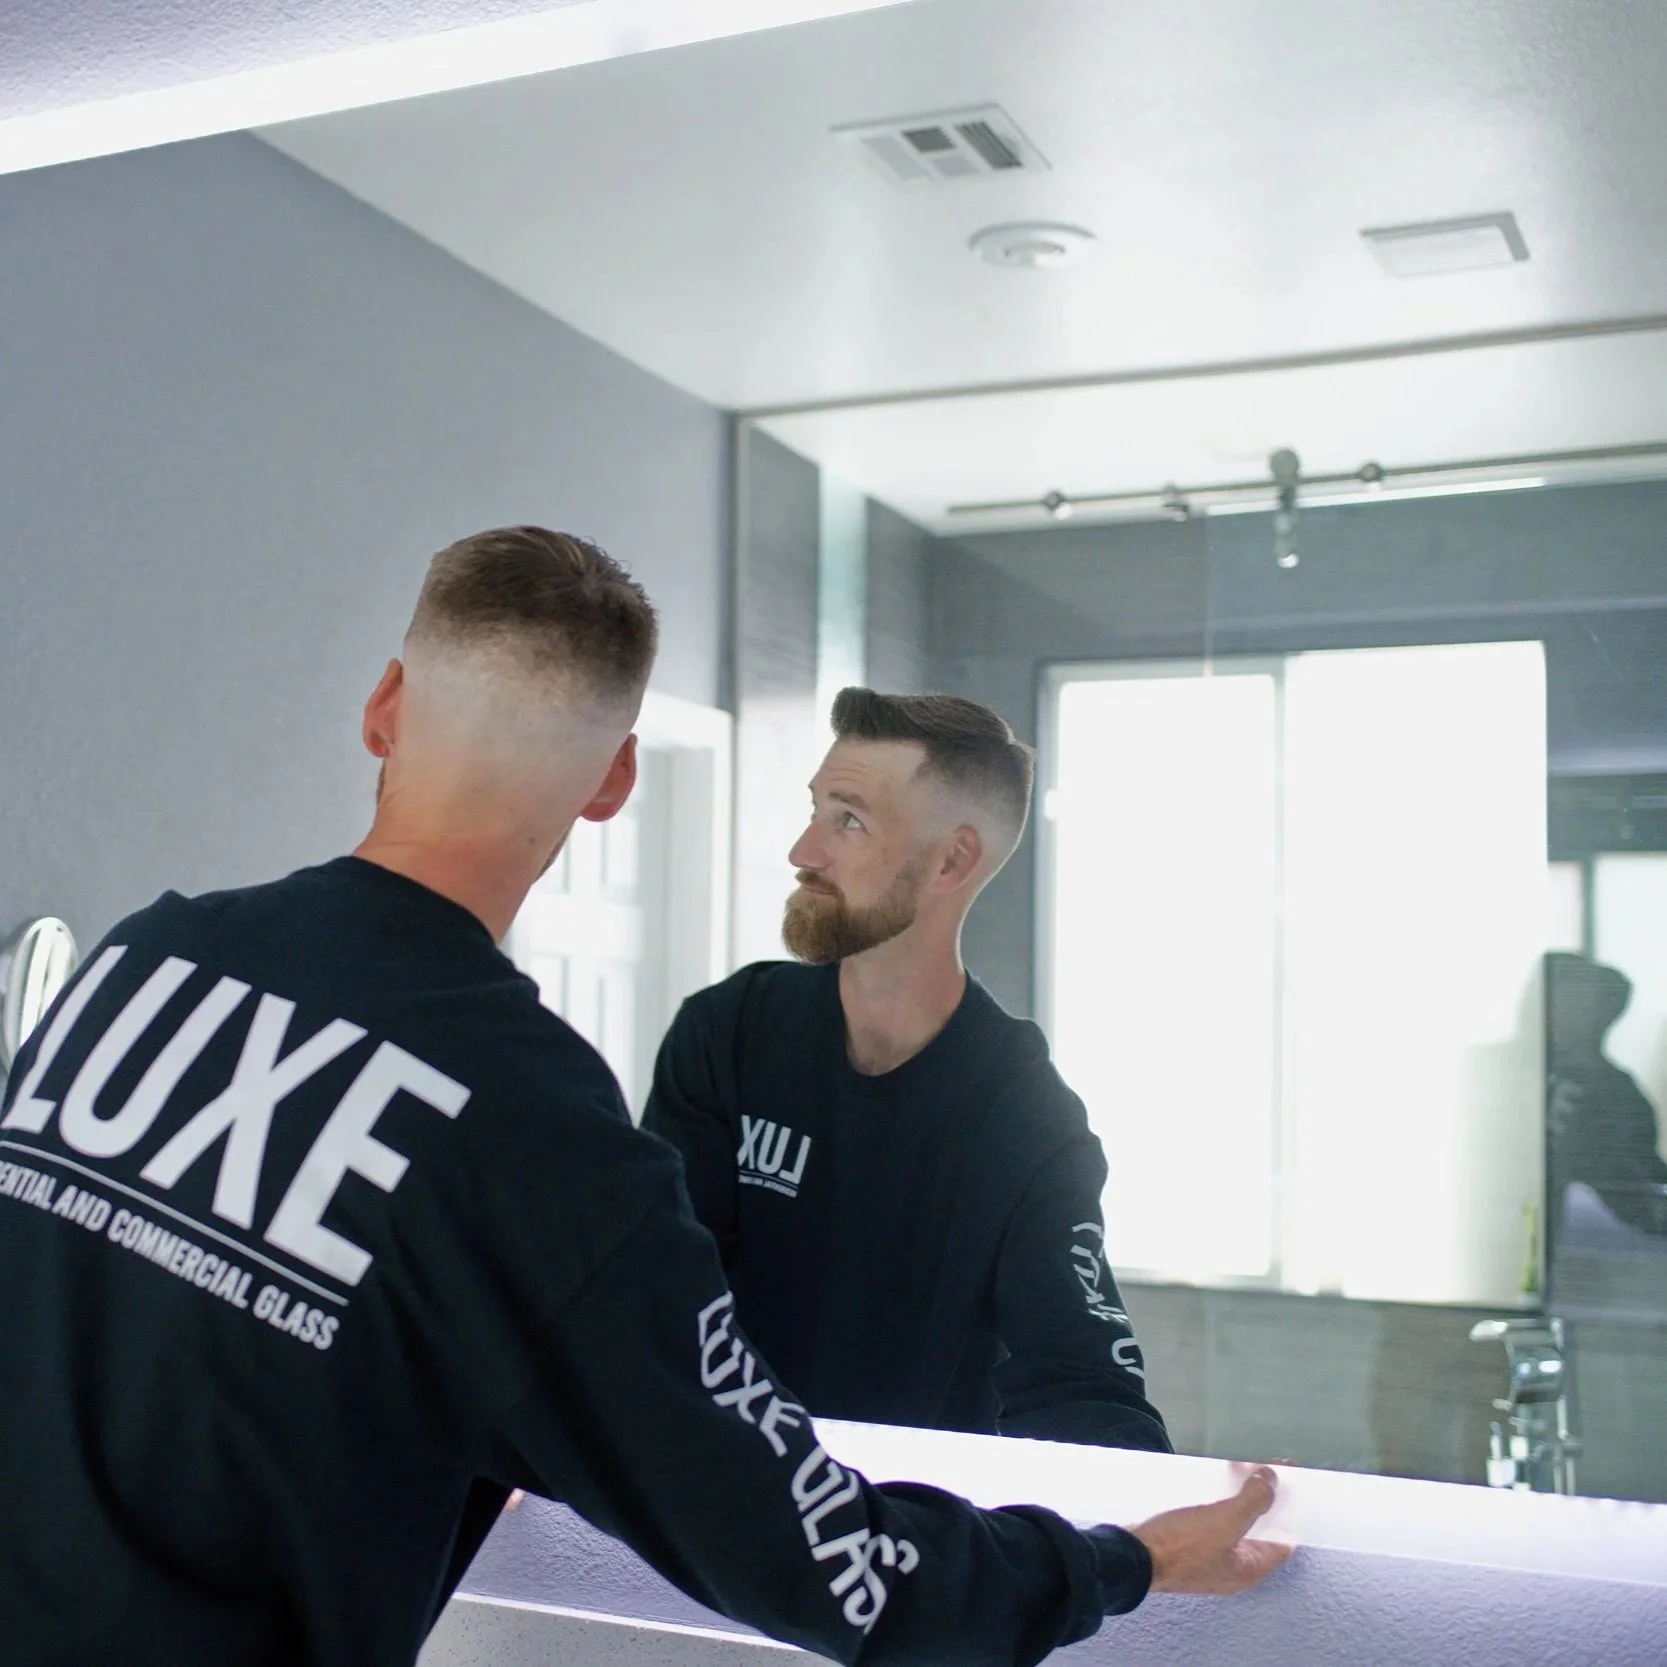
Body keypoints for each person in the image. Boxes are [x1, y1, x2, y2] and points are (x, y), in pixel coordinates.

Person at [0, 529, 1286, 1667]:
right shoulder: (530, 1118)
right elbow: (831, 1568)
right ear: (615, 780)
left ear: (383, 706)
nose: (806, 846)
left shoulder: (140, 958)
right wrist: (1121, 1562)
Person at [644, 688, 1168, 1450]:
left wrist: (1178, 1504)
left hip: (908, 1514)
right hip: (717, 1486)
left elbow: (1080, 1377)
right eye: (816, 809)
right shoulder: (729, 1031)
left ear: (951, 860)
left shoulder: (1024, 1117)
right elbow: (653, 1295)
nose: (803, 851)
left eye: (848, 820)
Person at [1545, 951, 1667, 1238]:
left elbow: (1639, 1175)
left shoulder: (1619, 1094)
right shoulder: (1496, 1070)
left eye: (1578, 999)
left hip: (1582, 1241)